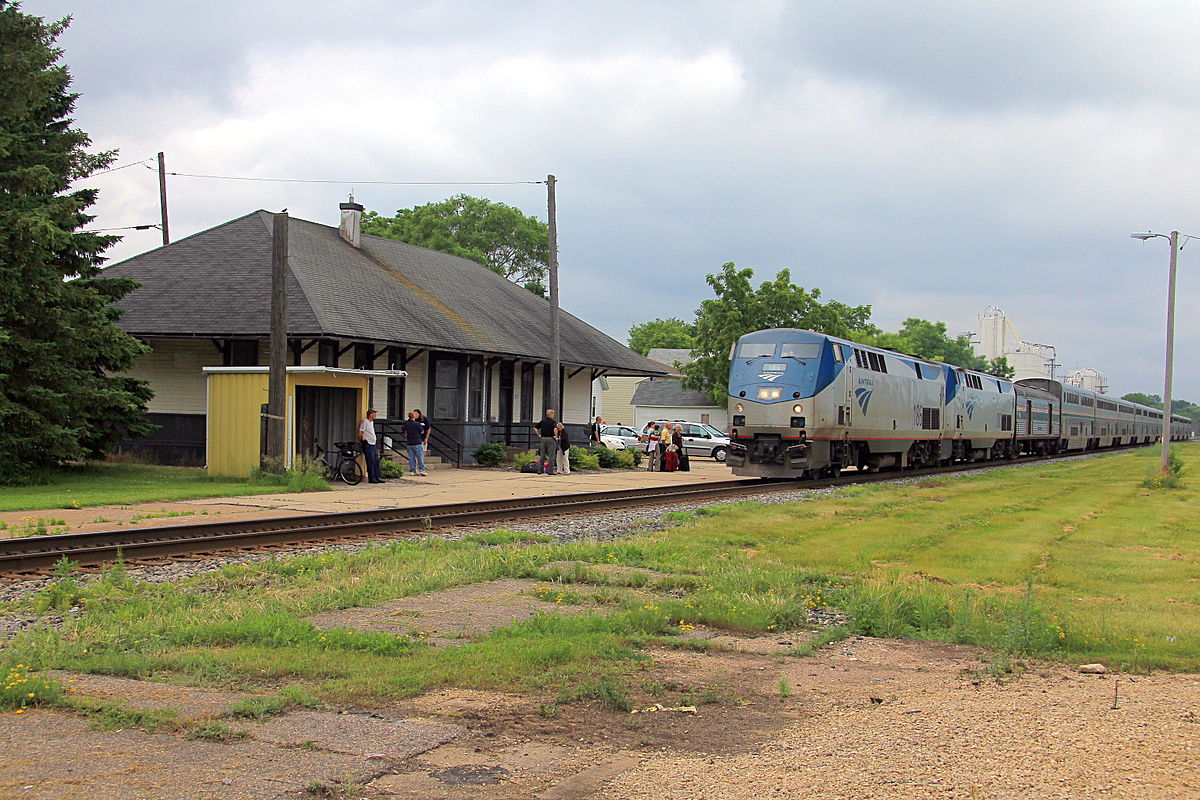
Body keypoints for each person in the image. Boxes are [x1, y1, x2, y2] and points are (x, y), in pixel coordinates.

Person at [357, 409, 383, 483]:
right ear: (370, 414)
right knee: (370, 461)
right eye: (374, 414)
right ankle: (371, 478)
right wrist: (363, 440)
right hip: (368, 444)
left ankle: (377, 477)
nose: (375, 415)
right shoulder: (365, 422)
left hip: (373, 443)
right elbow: (360, 432)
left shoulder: (371, 422)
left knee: (376, 460)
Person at [533, 409, 559, 474]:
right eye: (553, 414)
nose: (553, 415)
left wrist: (538, 434)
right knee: (551, 456)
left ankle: (540, 470)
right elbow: (555, 429)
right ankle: (550, 471)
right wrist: (556, 436)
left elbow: (535, 428)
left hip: (543, 438)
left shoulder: (542, 421)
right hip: (550, 438)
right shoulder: (553, 422)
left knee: (542, 455)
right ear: (551, 414)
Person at [403, 410, 428, 476]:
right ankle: (422, 470)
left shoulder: (406, 424)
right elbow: (422, 431)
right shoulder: (417, 424)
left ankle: (412, 471)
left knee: (411, 457)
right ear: (414, 416)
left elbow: (404, 431)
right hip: (417, 442)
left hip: (409, 442)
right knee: (420, 457)